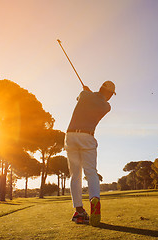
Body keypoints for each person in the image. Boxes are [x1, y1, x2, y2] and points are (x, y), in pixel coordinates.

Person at [65, 81, 116, 226]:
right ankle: (94, 199)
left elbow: (82, 100)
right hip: (87, 137)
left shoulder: (84, 94)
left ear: (100, 88)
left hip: (71, 136)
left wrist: (87, 92)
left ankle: (79, 211)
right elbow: (96, 102)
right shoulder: (107, 106)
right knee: (91, 173)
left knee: (75, 175)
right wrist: (89, 93)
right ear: (110, 94)